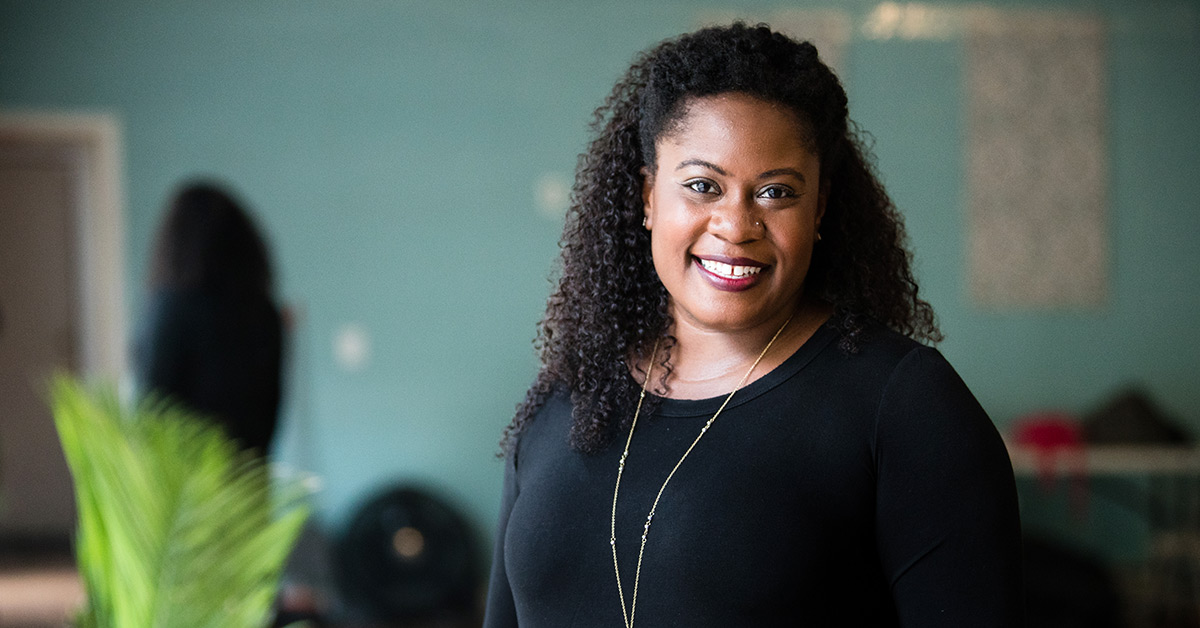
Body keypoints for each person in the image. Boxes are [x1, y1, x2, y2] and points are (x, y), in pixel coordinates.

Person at [484, 23, 1023, 627]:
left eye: (775, 192)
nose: (736, 225)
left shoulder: (903, 404)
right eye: (701, 186)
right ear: (647, 197)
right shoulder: (567, 400)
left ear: (819, 208)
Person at [135, 180, 284, 457]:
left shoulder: (172, 307)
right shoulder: (265, 314)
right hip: (247, 479)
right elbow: (270, 414)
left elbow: (152, 410)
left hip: (184, 486)